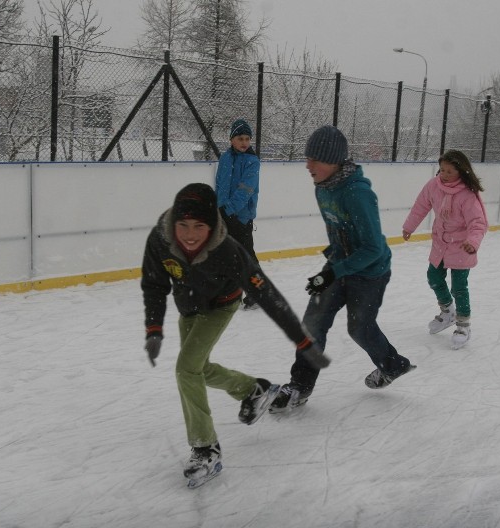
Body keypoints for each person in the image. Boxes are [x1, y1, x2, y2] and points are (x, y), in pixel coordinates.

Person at [141, 182, 329, 486]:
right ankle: (253, 390)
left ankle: (206, 449)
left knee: (187, 369)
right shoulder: (160, 239)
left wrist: (303, 340)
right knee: (197, 370)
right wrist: (154, 328)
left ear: (212, 225)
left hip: (220, 306)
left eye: (199, 226)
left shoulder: (228, 250)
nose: (189, 234)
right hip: (188, 307)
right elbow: (154, 283)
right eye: (183, 225)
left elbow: (267, 295)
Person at [270, 125, 414, 413]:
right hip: (340, 264)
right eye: (307, 158)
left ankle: (392, 365)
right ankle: (300, 385)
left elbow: (373, 247)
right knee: (313, 322)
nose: (308, 166)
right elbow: (339, 233)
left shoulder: (357, 193)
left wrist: (335, 271)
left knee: (359, 328)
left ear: (335, 162)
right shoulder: (323, 188)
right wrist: (331, 266)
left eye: (315, 159)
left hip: (371, 272)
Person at [402, 150, 489, 350]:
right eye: (442, 170)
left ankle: (463, 325)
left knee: (459, 287)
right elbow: (420, 206)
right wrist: (409, 226)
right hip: (440, 243)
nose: (445, 174)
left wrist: (472, 242)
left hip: (461, 246)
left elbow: (478, 222)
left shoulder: (467, 194)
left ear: (461, 171)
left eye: (450, 171)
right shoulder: (434, 186)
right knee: (433, 277)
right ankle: (447, 311)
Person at [215, 119, 261, 309]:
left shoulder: (252, 161)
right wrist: (219, 208)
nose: (244, 142)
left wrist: (230, 209)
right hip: (224, 214)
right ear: (232, 139)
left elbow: (246, 189)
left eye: (247, 139)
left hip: (241, 217)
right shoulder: (225, 158)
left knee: (246, 257)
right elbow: (220, 185)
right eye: (240, 138)